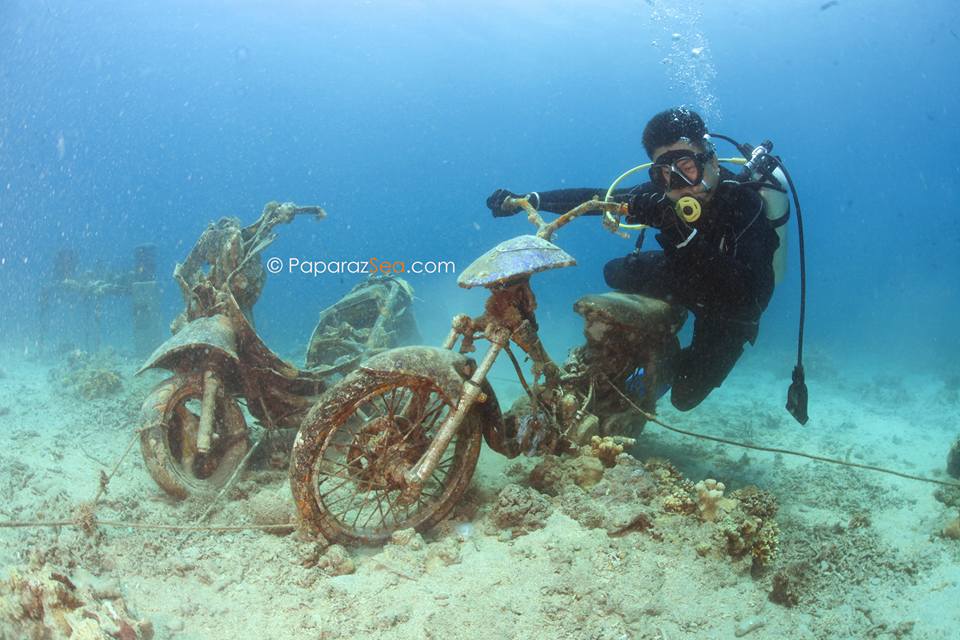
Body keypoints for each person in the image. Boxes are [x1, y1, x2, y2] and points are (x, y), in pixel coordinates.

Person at [486, 106, 785, 411]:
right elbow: (597, 200)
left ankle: (666, 359)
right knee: (616, 272)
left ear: (710, 160)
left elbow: (753, 299)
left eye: (686, 166)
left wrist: (684, 236)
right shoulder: (661, 195)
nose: (678, 183)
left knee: (685, 396)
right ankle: (653, 335)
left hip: (729, 305)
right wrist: (529, 200)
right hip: (686, 277)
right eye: (665, 173)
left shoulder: (744, 203)